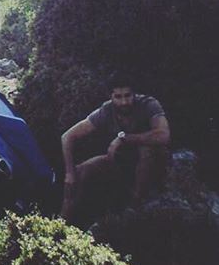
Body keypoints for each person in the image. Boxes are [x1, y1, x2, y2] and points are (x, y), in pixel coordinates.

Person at [60, 74, 170, 222]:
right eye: (118, 97)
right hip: (121, 162)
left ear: (134, 94)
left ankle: (134, 207)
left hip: (152, 164)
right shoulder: (106, 111)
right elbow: (67, 137)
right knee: (82, 171)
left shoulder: (149, 105)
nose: (124, 102)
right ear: (111, 97)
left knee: (147, 151)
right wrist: (70, 173)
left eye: (127, 96)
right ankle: (61, 223)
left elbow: (163, 135)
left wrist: (124, 138)